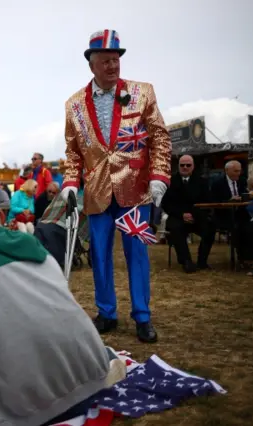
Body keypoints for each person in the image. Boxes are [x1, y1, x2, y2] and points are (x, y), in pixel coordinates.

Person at [0, 186, 124, 426]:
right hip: (88, 381)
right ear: (2, 218)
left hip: (29, 410)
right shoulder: (33, 245)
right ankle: (104, 359)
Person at [60, 29, 172, 343]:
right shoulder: (74, 106)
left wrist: (159, 176)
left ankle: (142, 317)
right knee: (99, 254)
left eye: (116, 59)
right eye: (105, 61)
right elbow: (72, 150)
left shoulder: (143, 92)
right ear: (91, 65)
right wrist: (70, 183)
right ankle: (107, 313)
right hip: (97, 194)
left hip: (135, 191)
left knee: (137, 254)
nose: (113, 66)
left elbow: (160, 138)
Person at [161, 155, 216, 273]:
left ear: (193, 166)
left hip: (197, 217)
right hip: (178, 217)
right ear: (178, 166)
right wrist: (182, 215)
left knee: (210, 229)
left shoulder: (202, 182)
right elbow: (165, 204)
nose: (185, 167)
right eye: (182, 165)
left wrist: (193, 215)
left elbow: (208, 202)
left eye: (188, 165)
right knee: (176, 229)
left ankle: (202, 262)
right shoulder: (171, 182)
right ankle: (186, 261)